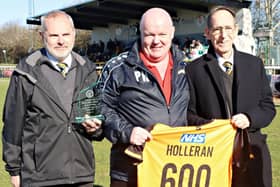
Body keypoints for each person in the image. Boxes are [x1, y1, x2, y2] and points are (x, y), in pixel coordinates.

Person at [2, 10, 103, 187]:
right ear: (42, 36)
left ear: (74, 34)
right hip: (39, 177)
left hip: (81, 175)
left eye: (65, 34)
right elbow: (13, 124)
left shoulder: (87, 69)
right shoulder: (26, 71)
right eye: (54, 35)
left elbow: (97, 120)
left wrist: (96, 128)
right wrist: (14, 169)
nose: (61, 41)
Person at [186, 6, 276, 187]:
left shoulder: (254, 64)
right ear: (207, 33)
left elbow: (268, 107)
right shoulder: (193, 69)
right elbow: (188, 114)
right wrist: (212, 126)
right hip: (213, 157)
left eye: (228, 28)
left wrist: (249, 118)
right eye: (217, 29)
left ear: (235, 30)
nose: (223, 35)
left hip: (253, 155)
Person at [101, 7, 189, 187]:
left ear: (172, 33)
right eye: (149, 35)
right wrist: (127, 131)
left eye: (162, 34)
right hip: (129, 171)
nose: (156, 41)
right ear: (140, 34)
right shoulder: (118, 68)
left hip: (173, 171)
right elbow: (98, 107)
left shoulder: (187, 68)